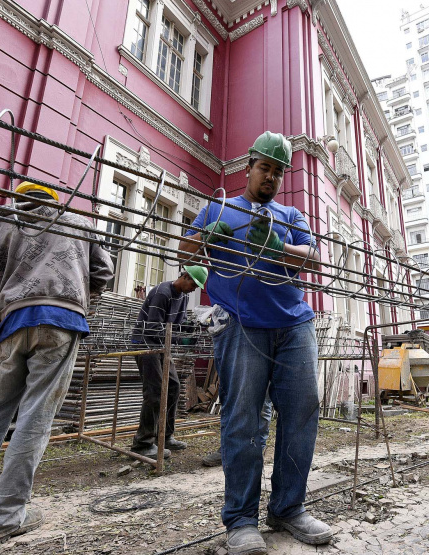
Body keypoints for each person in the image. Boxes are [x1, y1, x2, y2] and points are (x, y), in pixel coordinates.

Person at [0, 181, 114, 547]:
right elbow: (104, 272)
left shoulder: (5, 224)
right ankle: (4, 517)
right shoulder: (80, 223)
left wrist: (4, 313)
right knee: (35, 418)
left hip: (13, 320)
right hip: (62, 321)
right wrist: (83, 297)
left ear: (21, 199)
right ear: (54, 200)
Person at [178, 131, 330, 555]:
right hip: (242, 325)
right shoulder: (217, 207)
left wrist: (278, 246)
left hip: (294, 324)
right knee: (243, 419)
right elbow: (184, 253)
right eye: (265, 167)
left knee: (301, 413)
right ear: (248, 167)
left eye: (278, 171)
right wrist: (209, 236)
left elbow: (314, 257)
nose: (271, 177)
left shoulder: (291, 215)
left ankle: (288, 508)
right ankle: (241, 519)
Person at [130, 266, 208, 459]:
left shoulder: (184, 297)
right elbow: (153, 328)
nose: (194, 289)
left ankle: (164, 436)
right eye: (194, 284)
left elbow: (177, 326)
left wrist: (189, 329)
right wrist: (178, 338)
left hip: (161, 345)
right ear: (185, 276)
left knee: (173, 386)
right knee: (155, 391)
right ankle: (142, 444)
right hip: (146, 343)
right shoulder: (162, 293)